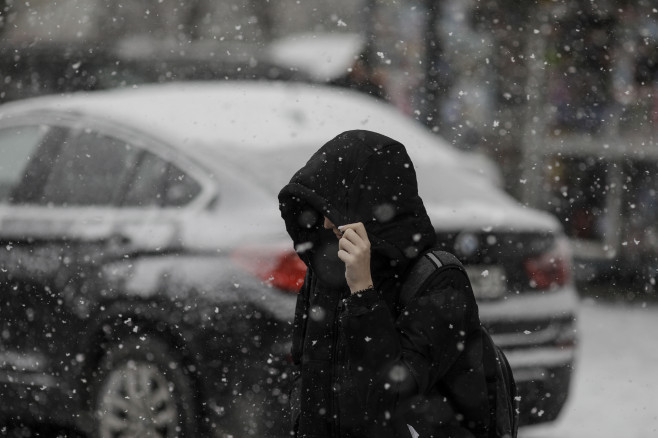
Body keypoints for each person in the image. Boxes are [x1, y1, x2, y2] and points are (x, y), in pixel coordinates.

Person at [278, 130, 490, 438]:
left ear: (368, 206)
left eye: (334, 208)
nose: (325, 223)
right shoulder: (327, 273)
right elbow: (305, 370)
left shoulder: (439, 280)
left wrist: (363, 293)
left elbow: (392, 394)